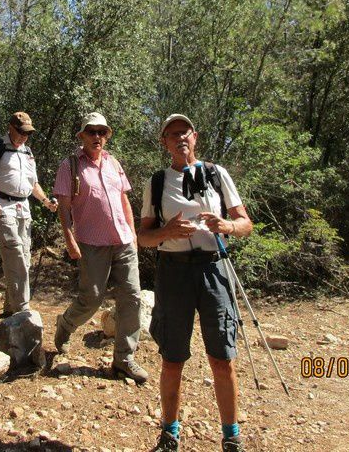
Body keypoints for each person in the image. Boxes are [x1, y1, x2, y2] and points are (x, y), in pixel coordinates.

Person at [138, 114, 253, 452]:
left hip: (214, 270)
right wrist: (166, 233)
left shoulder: (217, 174)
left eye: (184, 132)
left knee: (222, 357)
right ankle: (169, 435)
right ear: (164, 143)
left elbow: (245, 222)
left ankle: (232, 438)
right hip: (173, 272)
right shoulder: (157, 182)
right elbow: (143, 237)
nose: (179, 138)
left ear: (195, 137)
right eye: (172, 134)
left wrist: (227, 227)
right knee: (172, 359)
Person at [52, 112, 148, 383]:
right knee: (91, 299)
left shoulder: (114, 163)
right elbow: (64, 206)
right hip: (92, 243)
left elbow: (124, 201)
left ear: (107, 136)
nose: (97, 136)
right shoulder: (70, 166)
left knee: (132, 297)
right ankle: (66, 324)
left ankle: (124, 359)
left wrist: (133, 235)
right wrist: (69, 238)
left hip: (123, 241)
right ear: (81, 135)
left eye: (102, 132)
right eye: (91, 131)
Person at [0, 111, 57, 316]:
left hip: (24, 209)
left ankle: (10, 307)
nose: (24, 136)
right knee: (14, 255)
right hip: (3, 206)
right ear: (11, 128)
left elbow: (33, 185)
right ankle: (22, 310)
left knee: (25, 258)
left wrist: (46, 201)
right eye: (21, 132)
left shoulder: (28, 153)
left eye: (27, 133)